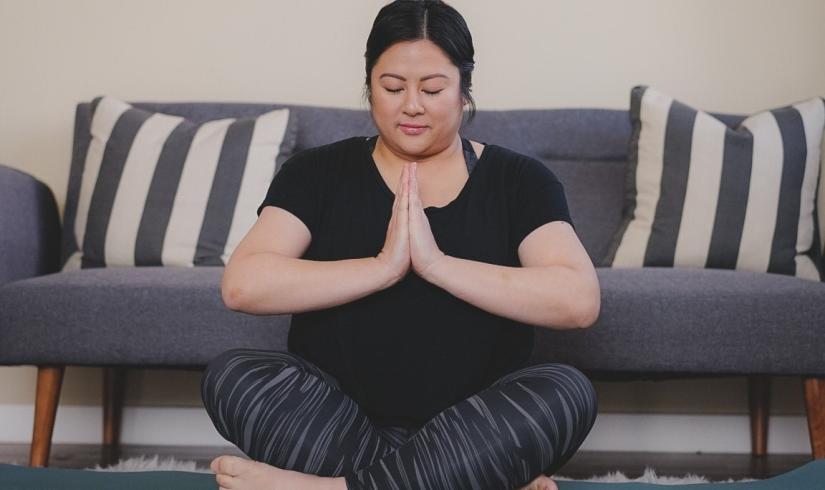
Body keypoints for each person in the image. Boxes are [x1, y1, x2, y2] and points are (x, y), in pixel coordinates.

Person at [200, 1, 600, 489]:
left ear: (463, 91)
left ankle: (335, 488)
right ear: (370, 86)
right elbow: (242, 285)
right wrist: (384, 267)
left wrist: (435, 265)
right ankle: (460, 482)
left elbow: (578, 301)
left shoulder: (519, 180)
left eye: (432, 89)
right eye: (393, 88)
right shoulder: (316, 172)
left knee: (566, 391)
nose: (412, 105)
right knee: (233, 376)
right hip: (340, 426)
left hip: (474, 427)